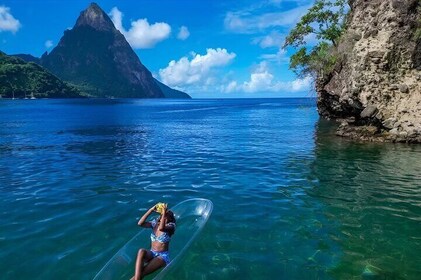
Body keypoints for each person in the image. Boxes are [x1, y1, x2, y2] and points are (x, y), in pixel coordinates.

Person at [132, 203, 176, 280]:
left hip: (162, 256)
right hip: (152, 253)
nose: (165, 214)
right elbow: (140, 223)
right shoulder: (155, 223)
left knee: (142, 273)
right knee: (141, 251)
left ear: (170, 218)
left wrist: (164, 212)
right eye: (164, 213)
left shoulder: (171, 226)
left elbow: (162, 228)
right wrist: (151, 210)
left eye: (167, 214)